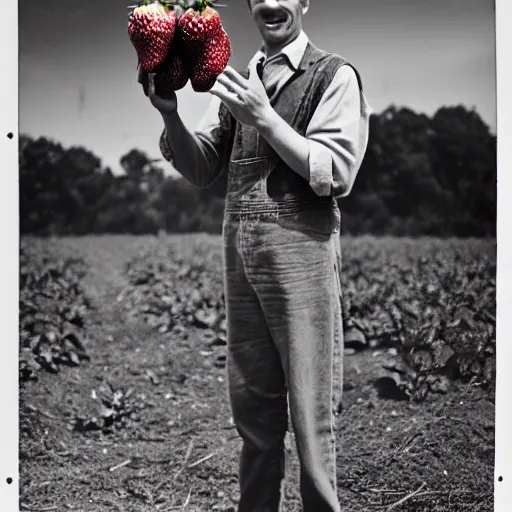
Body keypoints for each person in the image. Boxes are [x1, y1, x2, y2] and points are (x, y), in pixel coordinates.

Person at [140, 0, 371, 510]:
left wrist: (265, 118)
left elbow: (335, 173)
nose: (270, 3)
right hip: (241, 262)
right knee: (255, 416)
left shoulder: (333, 75)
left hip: (301, 257)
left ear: (305, 1)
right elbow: (201, 167)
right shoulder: (235, 79)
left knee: (312, 419)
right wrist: (171, 114)